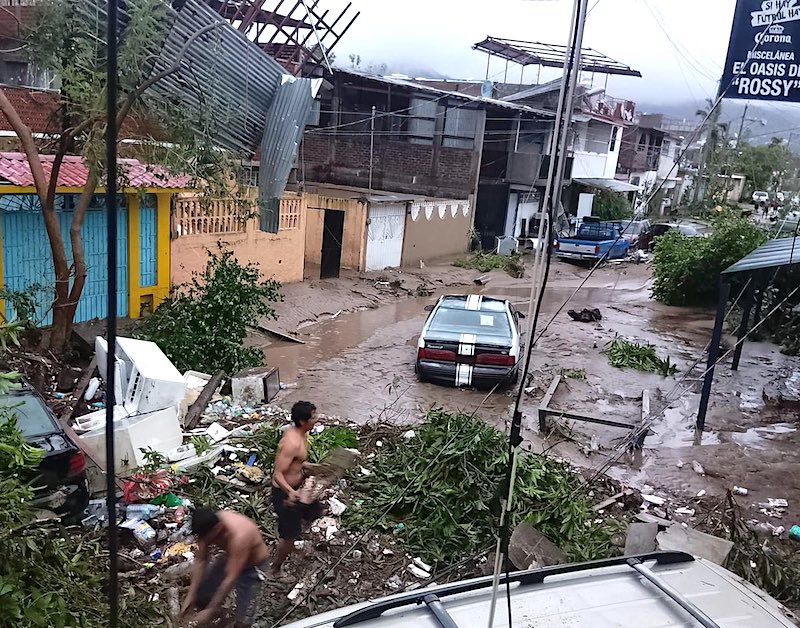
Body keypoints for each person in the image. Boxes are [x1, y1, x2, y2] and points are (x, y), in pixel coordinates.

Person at [181, 508, 270, 627]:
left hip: (252, 567)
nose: (209, 542)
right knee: (202, 593)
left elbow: (230, 578)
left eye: (212, 538)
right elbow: (201, 560)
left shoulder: (240, 536)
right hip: (230, 557)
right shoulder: (206, 526)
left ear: (219, 528)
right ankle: (218, 614)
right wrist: (191, 595)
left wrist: (211, 609)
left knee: (243, 620)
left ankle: (228, 618)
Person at [270, 400, 324, 577]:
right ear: (302, 421)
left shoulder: (301, 434)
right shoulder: (291, 442)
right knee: (289, 535)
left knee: (315, 511)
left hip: (298, 488)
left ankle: (296, 531)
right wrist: (291, 492)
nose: (317, 419)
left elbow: (296, 462)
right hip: (285, 494)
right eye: (313, 417)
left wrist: (311, 467)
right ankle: (275, 569)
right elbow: (278, 474)